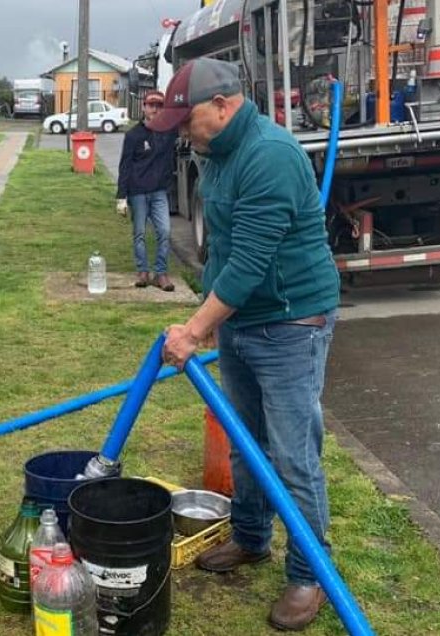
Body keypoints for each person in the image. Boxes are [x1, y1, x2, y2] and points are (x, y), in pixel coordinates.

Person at [150, 58, 341, 631]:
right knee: (244, 442)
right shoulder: (216, 155)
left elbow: (251, 265)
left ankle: (309, 576)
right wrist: (211, 317)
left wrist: (194, 329)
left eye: (189, 121)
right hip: (242, 322)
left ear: (224, 106)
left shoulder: (270, 156)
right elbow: (223, 252)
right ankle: (252, 537)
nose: (183, 132)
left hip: (290, 323)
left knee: (291, 455)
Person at [115, 89, 177, 291]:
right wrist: (121, 197)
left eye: (159, 106)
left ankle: (161, 273)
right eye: (151, 105)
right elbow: (125, 166)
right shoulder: (134, 135)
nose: (155, 110)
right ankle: (143, 271)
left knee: (165, 231)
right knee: (139, 233)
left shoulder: (168, 132)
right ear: (144, 107)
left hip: (159, 191)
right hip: (138, 192)